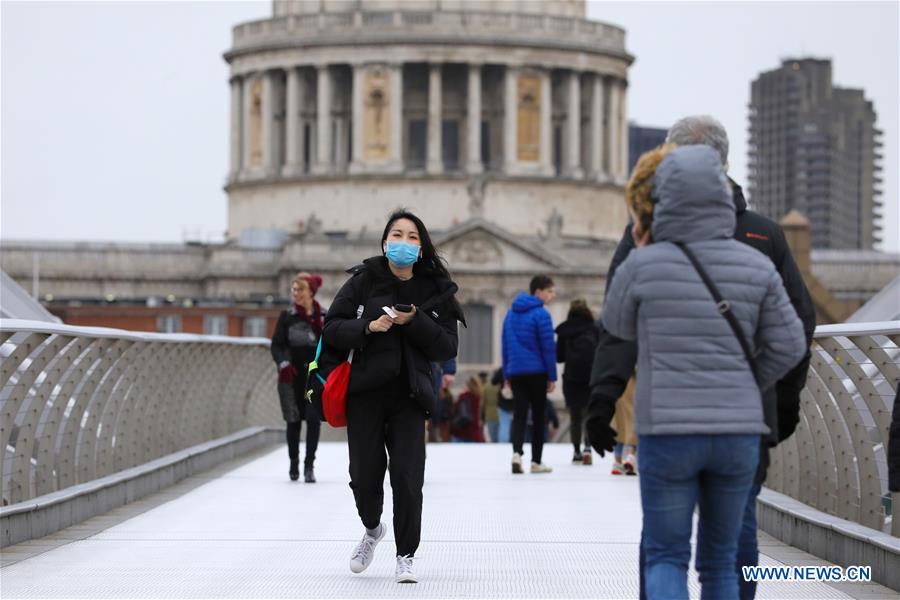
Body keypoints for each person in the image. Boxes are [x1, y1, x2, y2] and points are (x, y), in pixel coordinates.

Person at [584, 115, 816, 600]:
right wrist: (754, 387)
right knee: (726, 557)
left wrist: (602, 401)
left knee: (665, 552)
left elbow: (618, 328)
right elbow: (794, 338)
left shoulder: (642, 253)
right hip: (739, 427)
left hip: (668, 426)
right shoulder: (760, 248)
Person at [323, 209, 464, 584]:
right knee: (363, 476)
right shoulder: (362, 282)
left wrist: (414, 320)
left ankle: (406, 555)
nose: (404, 243)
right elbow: (332, 328)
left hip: (410, 395)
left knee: (407, 476)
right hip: (365, 392)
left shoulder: (436, 288)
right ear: (385, 242)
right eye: (397, 235)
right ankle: (372, 529)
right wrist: (368, 326)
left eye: (413, 237)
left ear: (422, 248)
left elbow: (447, 346)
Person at [270, 272, 324, 483]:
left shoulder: (323, 316)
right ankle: (294, 462)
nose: (296, 293)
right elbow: (277, 344)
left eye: (300, 289)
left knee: (313, 420)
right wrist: (283, 363)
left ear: (311, 292)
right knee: (293, 421)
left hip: (314, 377)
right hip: (291, 376)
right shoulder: (287, 316)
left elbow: (329, 346)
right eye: (293, 290)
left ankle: (309, 465)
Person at [502, 274, 558, 474]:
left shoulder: (510, 313)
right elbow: (548, 348)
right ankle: (536, 461)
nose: (552, 295)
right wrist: (552, 376)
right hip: (537, 371)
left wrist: (507, 374)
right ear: (539, 291)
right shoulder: (542, 314)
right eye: (550, 291)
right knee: (539, 416)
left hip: (516, 371)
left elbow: (505, 345)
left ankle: (517, 453)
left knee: (519, 414)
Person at [555, 298, 599, 464]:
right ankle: (588, 448)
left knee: (575, 417)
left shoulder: (564, 331)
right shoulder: (594, 329)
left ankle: (576, 451)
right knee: (589, 415)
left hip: (572, 379)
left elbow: (559, 358)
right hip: (591, 378)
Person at [610, 377, 637, 475]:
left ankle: (617, 462)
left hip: (616, 383)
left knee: (619, 422)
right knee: (633, 419)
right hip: (633, 382)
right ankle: (631, 455)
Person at [451, 376, 486, 442]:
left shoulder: (463, 396)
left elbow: (455, 409)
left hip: (462, 431)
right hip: (475, 432)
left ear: (468, 385)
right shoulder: (479, 397)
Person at [480, 370, 501, 442]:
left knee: (492, 437)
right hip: (501, 413)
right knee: (500, 435)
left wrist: (481, 417)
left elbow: (483, 403)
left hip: (489, 414)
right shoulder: (501, 386)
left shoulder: (486, 386)